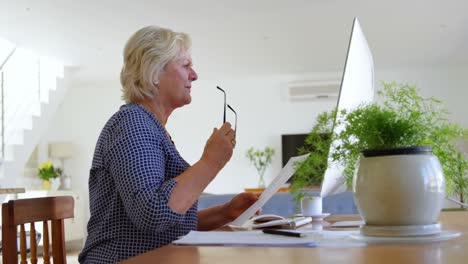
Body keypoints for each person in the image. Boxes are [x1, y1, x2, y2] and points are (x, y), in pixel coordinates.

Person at [78, 26, 259, 263]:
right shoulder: (132, 124)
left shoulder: (149, 126)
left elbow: (169, 221)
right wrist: (210, 162)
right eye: (185, 65)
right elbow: (153, 214)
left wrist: (225, 213)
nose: (194, 75)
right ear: (153, 72)